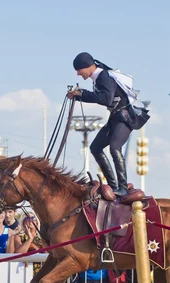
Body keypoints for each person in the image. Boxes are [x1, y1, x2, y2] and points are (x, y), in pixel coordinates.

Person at [68, 52, 142, 196]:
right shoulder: (97, 77)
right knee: (95, 148)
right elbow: (101, 97)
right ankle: (113, 185)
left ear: (88, 67)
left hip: (125, 118)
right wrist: (77, 97)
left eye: (78, 70)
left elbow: (106, 99)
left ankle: (123, 187)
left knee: (115, 147)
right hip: (115, 118)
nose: (78, 74)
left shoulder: (104, 76)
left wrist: (81, 94)